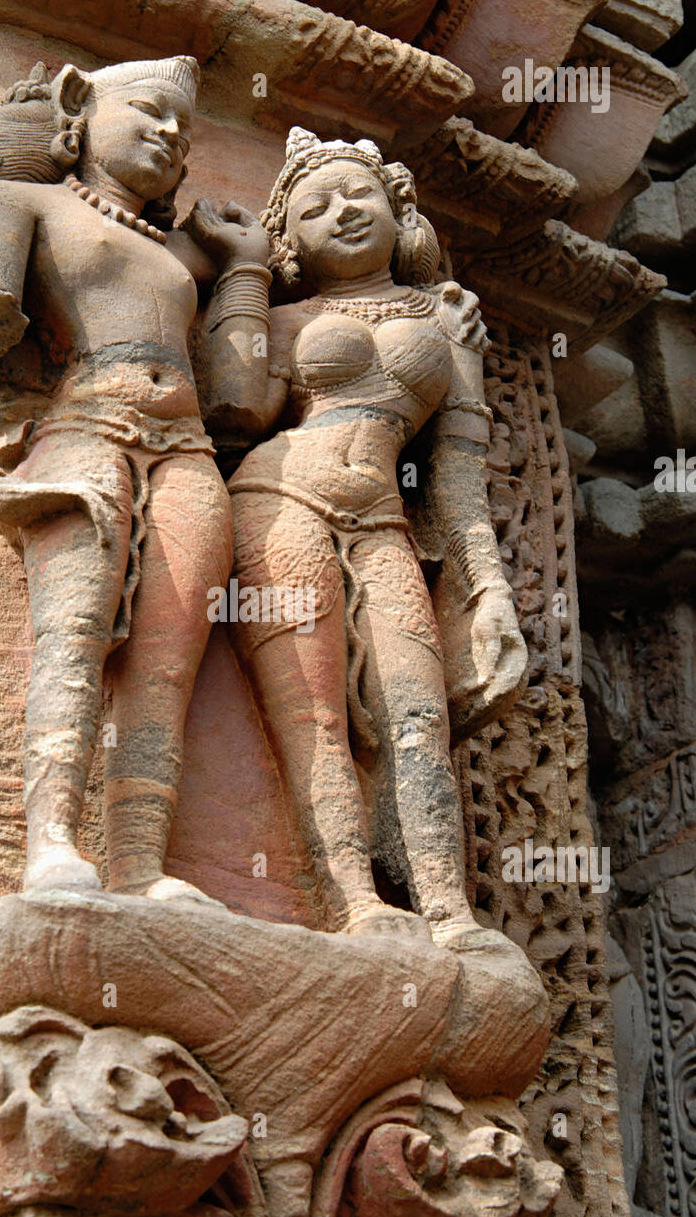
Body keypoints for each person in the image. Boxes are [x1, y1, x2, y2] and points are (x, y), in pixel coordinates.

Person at [188, 127, 527, 941]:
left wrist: (489, 591)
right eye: (316, 206)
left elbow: (455, 475)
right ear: (291, 238)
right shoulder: (287, 310)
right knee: (312, 713)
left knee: (417, 712)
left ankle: (447, 909)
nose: (343, 212)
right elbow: (233, 408)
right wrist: (241, 269)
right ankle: (352, 901)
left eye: (359, 195)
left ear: (397, 210)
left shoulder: (445, 320)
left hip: (382, 518)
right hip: (280, 494)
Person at [0, 56, 256, 899]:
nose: (169, 134)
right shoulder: (22, 200)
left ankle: (139, 865)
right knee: (73, 634)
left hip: (187, 448)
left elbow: (240, 398)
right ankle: (49, 842)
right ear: (79, 108)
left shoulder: (182, 254)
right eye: (151, 112)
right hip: (86, 427)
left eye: (184, 132)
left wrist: (247, 265)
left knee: (166, 664)